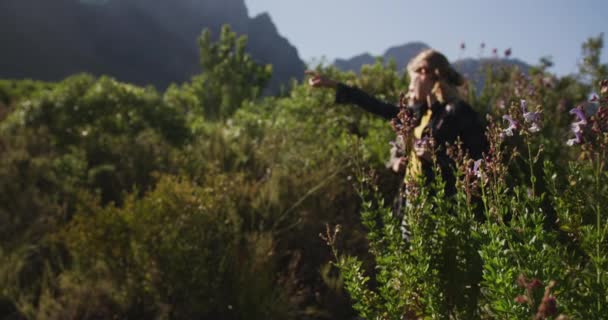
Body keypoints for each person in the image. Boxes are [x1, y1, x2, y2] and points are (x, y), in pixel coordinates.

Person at [306, 49, 487, 197]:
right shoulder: (418, 113)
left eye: (411, 79)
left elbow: (479, 159)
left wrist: (436, 159)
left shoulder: (457, 111)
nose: (410, 86)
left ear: (424, 73)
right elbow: (376, 105)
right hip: (412, 198)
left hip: (441, 202)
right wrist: (335, 85)